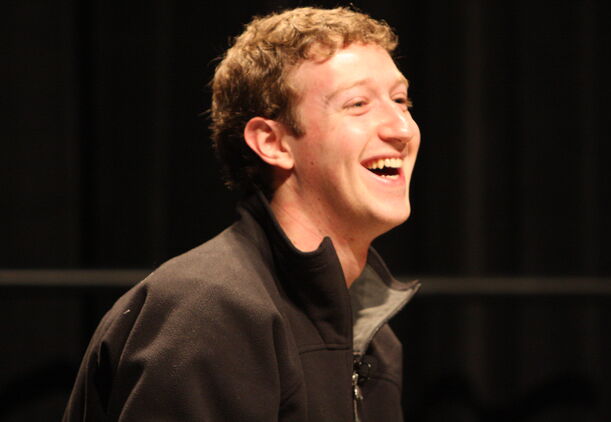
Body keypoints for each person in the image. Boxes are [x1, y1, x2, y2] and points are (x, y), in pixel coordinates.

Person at [62, 6, 420, 422]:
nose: (401, 128)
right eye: (357, 104)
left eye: (401, 100)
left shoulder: (375, 337)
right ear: (273, 143)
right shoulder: (209, 310)